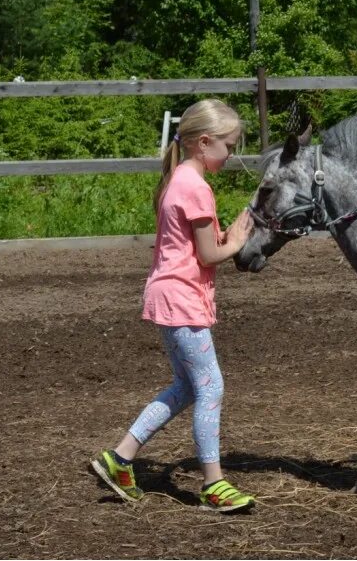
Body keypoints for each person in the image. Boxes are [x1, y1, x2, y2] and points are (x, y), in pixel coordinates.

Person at [91, 98, 257, 512]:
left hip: (167, 296)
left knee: (187, 386)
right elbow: (207, 256)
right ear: (204, 142)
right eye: (229, 145)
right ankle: (214, 484)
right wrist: (236, 241)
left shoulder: (177, 180)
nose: (232, 154)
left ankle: (120, 459)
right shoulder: (196, 188)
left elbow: (192, 248)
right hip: (182, 299)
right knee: (211, 386)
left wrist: (227, 238)